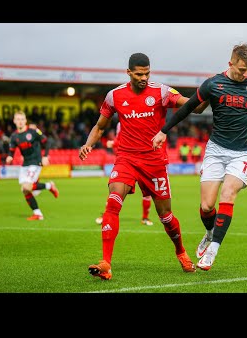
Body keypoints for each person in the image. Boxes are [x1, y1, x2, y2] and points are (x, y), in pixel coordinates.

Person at [79, 52, 208, 280]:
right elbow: (100, 126)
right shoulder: (114, 96)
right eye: (139, 74)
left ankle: (181, 252)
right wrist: (88, 144)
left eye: (147, 73)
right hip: (126, 158)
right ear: (128, 73)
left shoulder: (162, 92)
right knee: (112, 203)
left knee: (165, 215)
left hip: (154, 161)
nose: (144, 78)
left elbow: (193, 107)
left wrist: (208, 93)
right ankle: (106, 263)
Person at [152, 43, 247, 271]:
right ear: (230, 63)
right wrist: (164, 131)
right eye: (241, 69)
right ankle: (210, 232)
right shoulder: (213, 84)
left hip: (243, 149)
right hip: (216, 149)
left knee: (228, 193)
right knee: (206, 206)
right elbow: (188, 108)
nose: (245, 75)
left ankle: (213, 249)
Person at [96, 121, 154, 226]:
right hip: (127, 161)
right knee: (115, 189)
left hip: (144, 160)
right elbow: (121, 140)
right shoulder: (121, 123)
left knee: (147, 191)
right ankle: (106, 215)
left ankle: (145, 218)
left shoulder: (145, 119)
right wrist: (114, 143)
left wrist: (113, 143)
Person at [5, 111, 59, 221]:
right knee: (25, 190)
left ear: (25, 120)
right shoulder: (14, 136)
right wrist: (10, 157)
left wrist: (45, 156)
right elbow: (11, 150)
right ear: (14, 121)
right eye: (18, 119)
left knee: (27, 187)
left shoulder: (33, 131)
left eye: (22, 119)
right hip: (25, 164)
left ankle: (48, 186)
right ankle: (38, 213)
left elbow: (47, 141)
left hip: (36, 161)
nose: (20, 121)